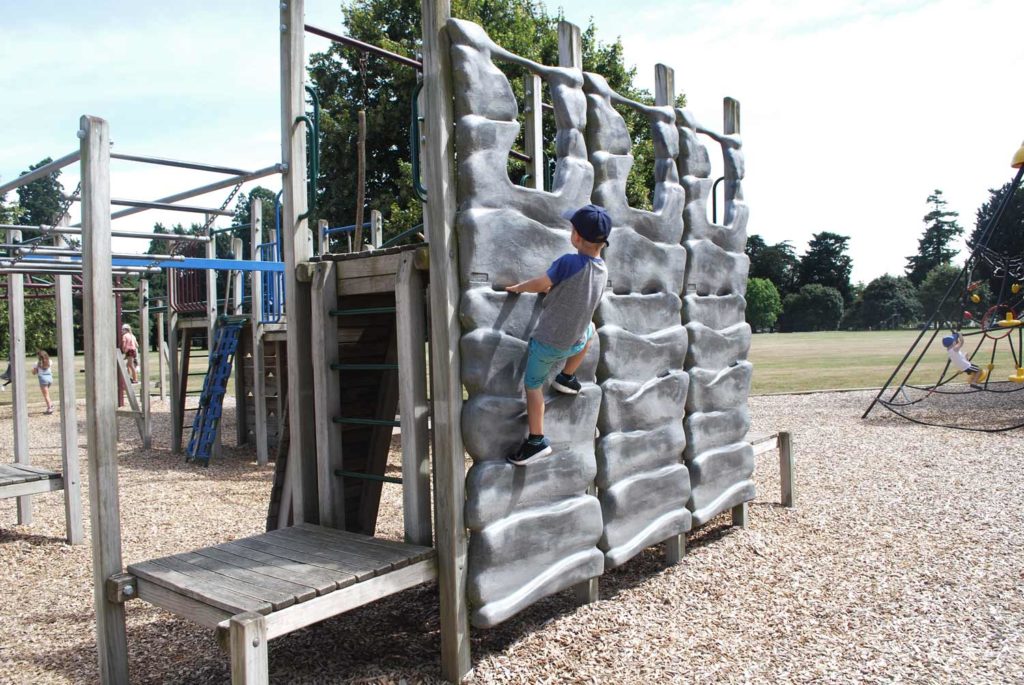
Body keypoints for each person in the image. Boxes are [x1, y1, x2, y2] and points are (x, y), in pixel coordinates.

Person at [504, 204, 611, 466]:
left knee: (533, 387)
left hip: (547, 345)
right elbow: (577, 294)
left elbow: (542, 283)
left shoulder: (568, 262)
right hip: (575, 343)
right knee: (591, 330)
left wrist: (519, 287)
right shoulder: (602, 270)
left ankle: (536, 441)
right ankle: (567, 376)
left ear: (576, 237)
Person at [32, 350, 55, 414]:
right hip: (50, 378)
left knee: (46, 395)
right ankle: (51, 405)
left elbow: (34, 373)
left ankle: (49, 408)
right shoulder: (50, 361)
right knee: (47, 393)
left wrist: (34, 369)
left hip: (43, 379)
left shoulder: (36, 363)